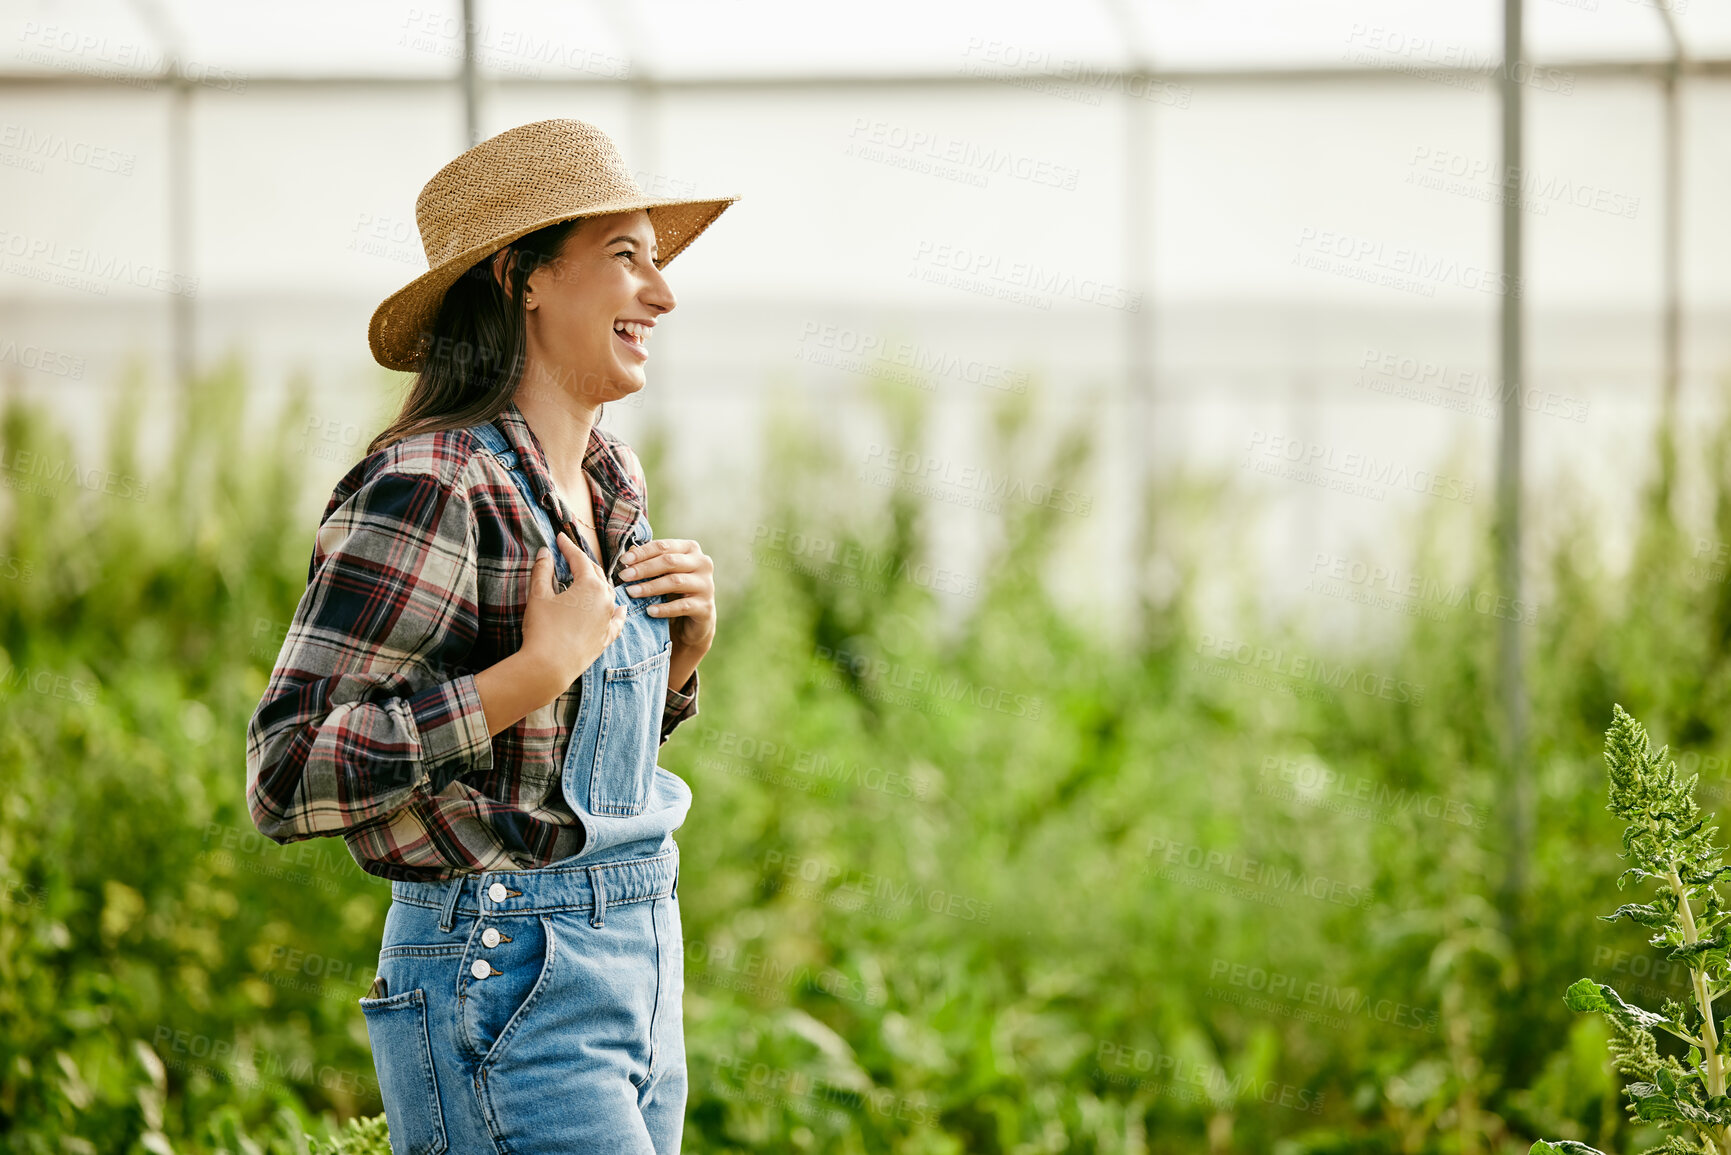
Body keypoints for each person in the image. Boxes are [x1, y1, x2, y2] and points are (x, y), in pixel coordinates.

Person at [244, 118, 737, 1154]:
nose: (663, 293)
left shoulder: (609, 481)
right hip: (504, 970)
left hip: (640, 960)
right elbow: (285, 771)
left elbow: (547, 780)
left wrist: (675, 667)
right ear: (523, 278)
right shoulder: (431, 485)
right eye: (625, 257)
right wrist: (528, 673)